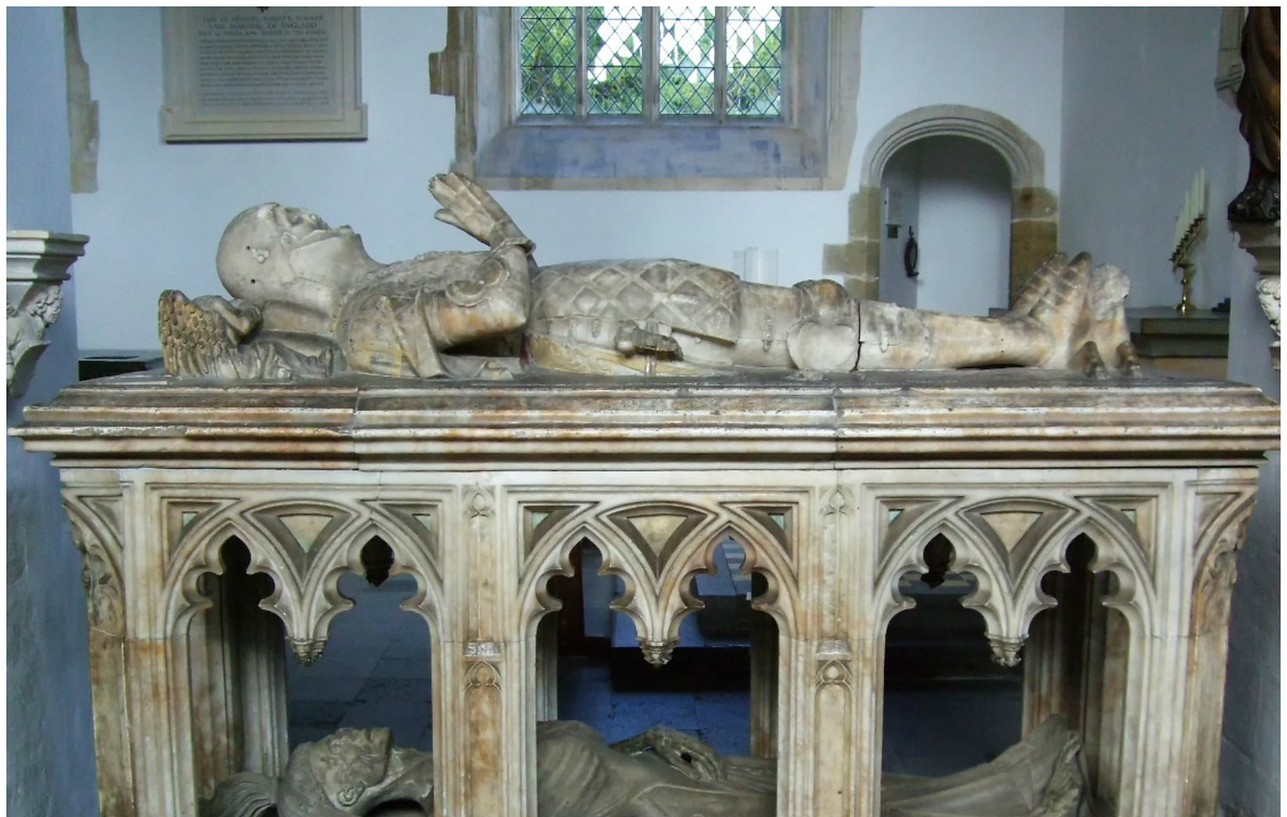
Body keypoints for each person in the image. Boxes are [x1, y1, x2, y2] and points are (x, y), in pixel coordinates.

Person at [160, 173, 1139, 381]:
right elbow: (501, 306)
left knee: (809, 319)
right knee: (815, 330)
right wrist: (494, 224)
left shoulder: (379, 291)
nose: (308, 212)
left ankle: (1024, 335)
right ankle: (1028, 340)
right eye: (284, 225)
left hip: (603, 305)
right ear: (269, 274)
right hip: (591, 327)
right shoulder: (369, 306)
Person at [208, 715, 1085, 817]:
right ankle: (1020, 816)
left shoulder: (454, 744)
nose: (350, 736)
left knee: (851, 791)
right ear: (352, 794)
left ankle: (1003, 781)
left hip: (660, 772)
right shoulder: (458, 816)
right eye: (334, 754)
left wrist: (653, 733)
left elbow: (576, 756)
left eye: (331, 738)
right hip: (664, 812)